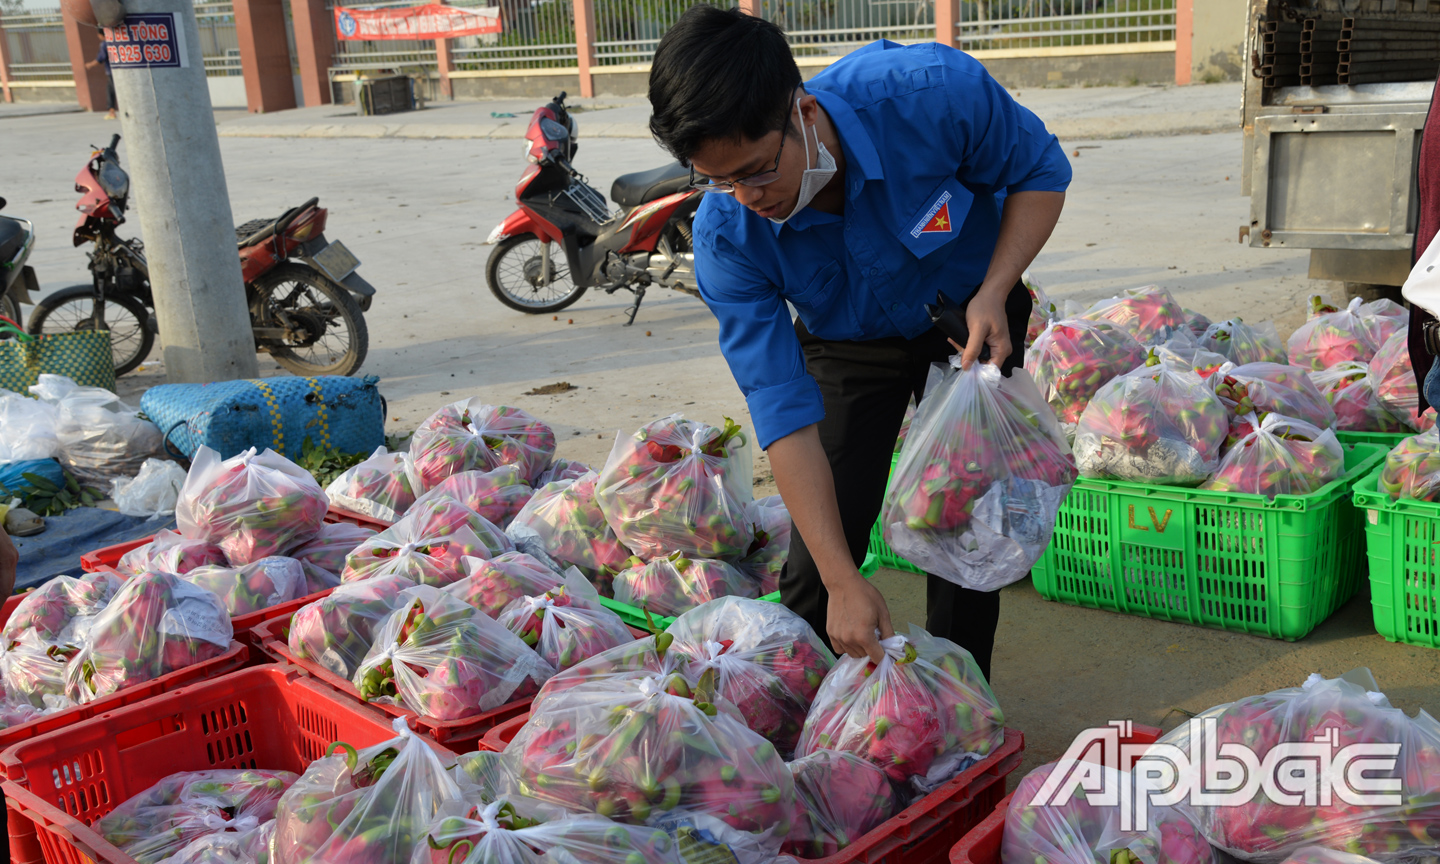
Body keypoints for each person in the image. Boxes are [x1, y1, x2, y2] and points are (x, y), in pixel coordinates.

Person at [646, 7, 1070, 679]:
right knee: (820, 570)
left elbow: (1041, 171)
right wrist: (846, 581)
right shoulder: (728, 236)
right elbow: (782, 409)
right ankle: (819, 729)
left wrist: (996, 289)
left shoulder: (928, 94)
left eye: (757, 170)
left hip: (971, 315)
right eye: (720, 180)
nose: (746, 196)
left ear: (803, 111)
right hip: (845, 345)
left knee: (967, 533)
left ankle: (959, 705)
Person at [85, 40, 118, 120]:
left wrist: (90, 64)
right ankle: (112, 111)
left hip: (111, 71)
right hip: (119, 70)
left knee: (111, 91)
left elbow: (100, 58)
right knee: (112, 90)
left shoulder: (105, 44)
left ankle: (112, 112)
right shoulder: (115, 41)